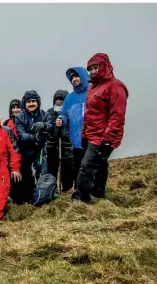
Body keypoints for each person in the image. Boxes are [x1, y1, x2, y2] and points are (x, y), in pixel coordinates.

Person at [72, 53, 129, 202]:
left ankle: (80, 198)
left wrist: (108, 140)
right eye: (90, 69)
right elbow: (89, 113)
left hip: (103, 136)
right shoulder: (92, 88)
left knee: (86, 166)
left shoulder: (116, 86)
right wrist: (84, 134)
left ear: (104, 66)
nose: (92, 71)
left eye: (95, 67)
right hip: (91, 134)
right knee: (100, 164)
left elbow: (117, 116)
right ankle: (98, 192)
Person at [15, 90, 54, 203]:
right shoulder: (19, 117)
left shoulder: (44, 114)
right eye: (28, 102)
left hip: (40, 150)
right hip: (25, 150)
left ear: (38, 102)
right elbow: (21, 134)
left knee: (42, 172)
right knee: (26, 174)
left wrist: (44, 125)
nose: (31, 104)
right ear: (24, 103)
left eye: (33, 101)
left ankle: (42, 196)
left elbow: (51, 126)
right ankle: (28, 196)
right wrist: (35, 137)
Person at [57, 66, 90, 188]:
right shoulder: (69, 98)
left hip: (92, 138)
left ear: (83, 76)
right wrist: (60, 119)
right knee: (77, 166)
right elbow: (64, 114)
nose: (74, 79)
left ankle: (94, 191)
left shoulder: (92, 92)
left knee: (92, 166)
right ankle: (78, 190)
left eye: (76, 76)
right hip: (76, 140)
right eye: (72, 78)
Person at [45, 89, 74, 191]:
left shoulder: (71, 113)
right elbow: (48, 128)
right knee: (51, 170)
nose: (58, 101)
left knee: (67, 170)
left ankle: (67, 190)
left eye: (61, 99)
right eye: (56, 99)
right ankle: (52, 191)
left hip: (66, 146)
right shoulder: (49, 112)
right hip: (52, 146)